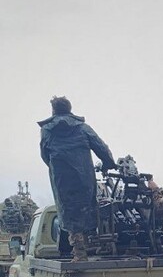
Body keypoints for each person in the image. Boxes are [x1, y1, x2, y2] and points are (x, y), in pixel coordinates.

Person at [38, 96, 117, 261]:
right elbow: (101, 148)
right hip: (84, 177)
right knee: (87, 208)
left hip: (62, 180)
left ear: (53, 111)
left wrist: (56, 168)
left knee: (68, 212)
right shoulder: (82, 128)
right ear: (69, 109)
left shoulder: (47, 131)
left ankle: (79, 252)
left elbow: (45, 155)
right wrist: (108, 164)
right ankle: (87, 245)